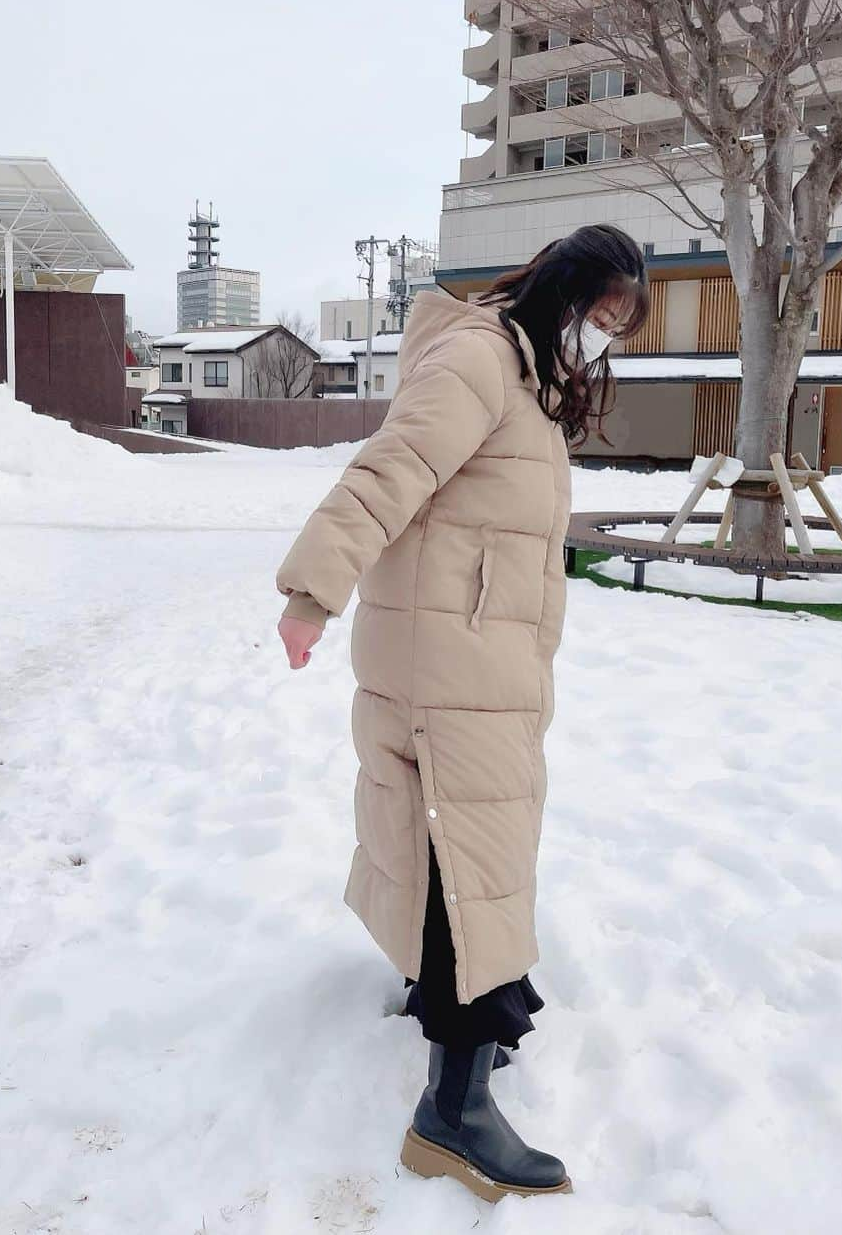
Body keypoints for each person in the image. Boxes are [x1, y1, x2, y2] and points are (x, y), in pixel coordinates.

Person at [276, 224, 649, 1202]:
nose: (604, 339)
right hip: (449, 663)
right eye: (600, 317)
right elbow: (389, 468)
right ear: (562, 294)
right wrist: (313, 592)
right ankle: (453, 1110)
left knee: (466, 848)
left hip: (478, 657)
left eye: (620, 327)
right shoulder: (482, 361)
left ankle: (473, 1000)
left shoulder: (523, 377)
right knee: (468, 852)